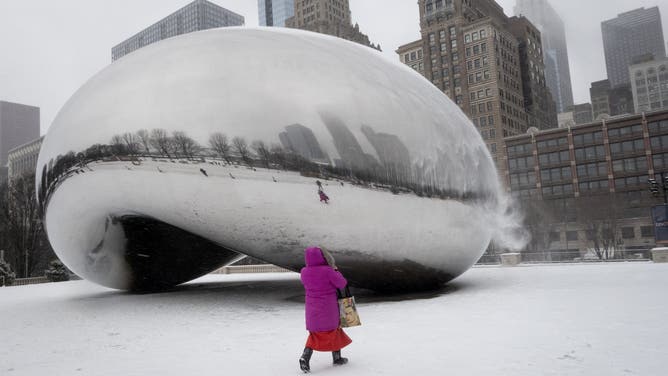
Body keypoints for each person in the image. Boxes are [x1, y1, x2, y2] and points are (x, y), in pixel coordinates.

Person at [299, 247, 351, 373]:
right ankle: (337, 358)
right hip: (329, 308)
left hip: (312, 309)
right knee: (334, 330)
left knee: (315, 334)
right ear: (323, 257)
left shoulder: (304, 271)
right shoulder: (328, 271)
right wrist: (335, 270)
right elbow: (342, 283)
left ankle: (305, 357)